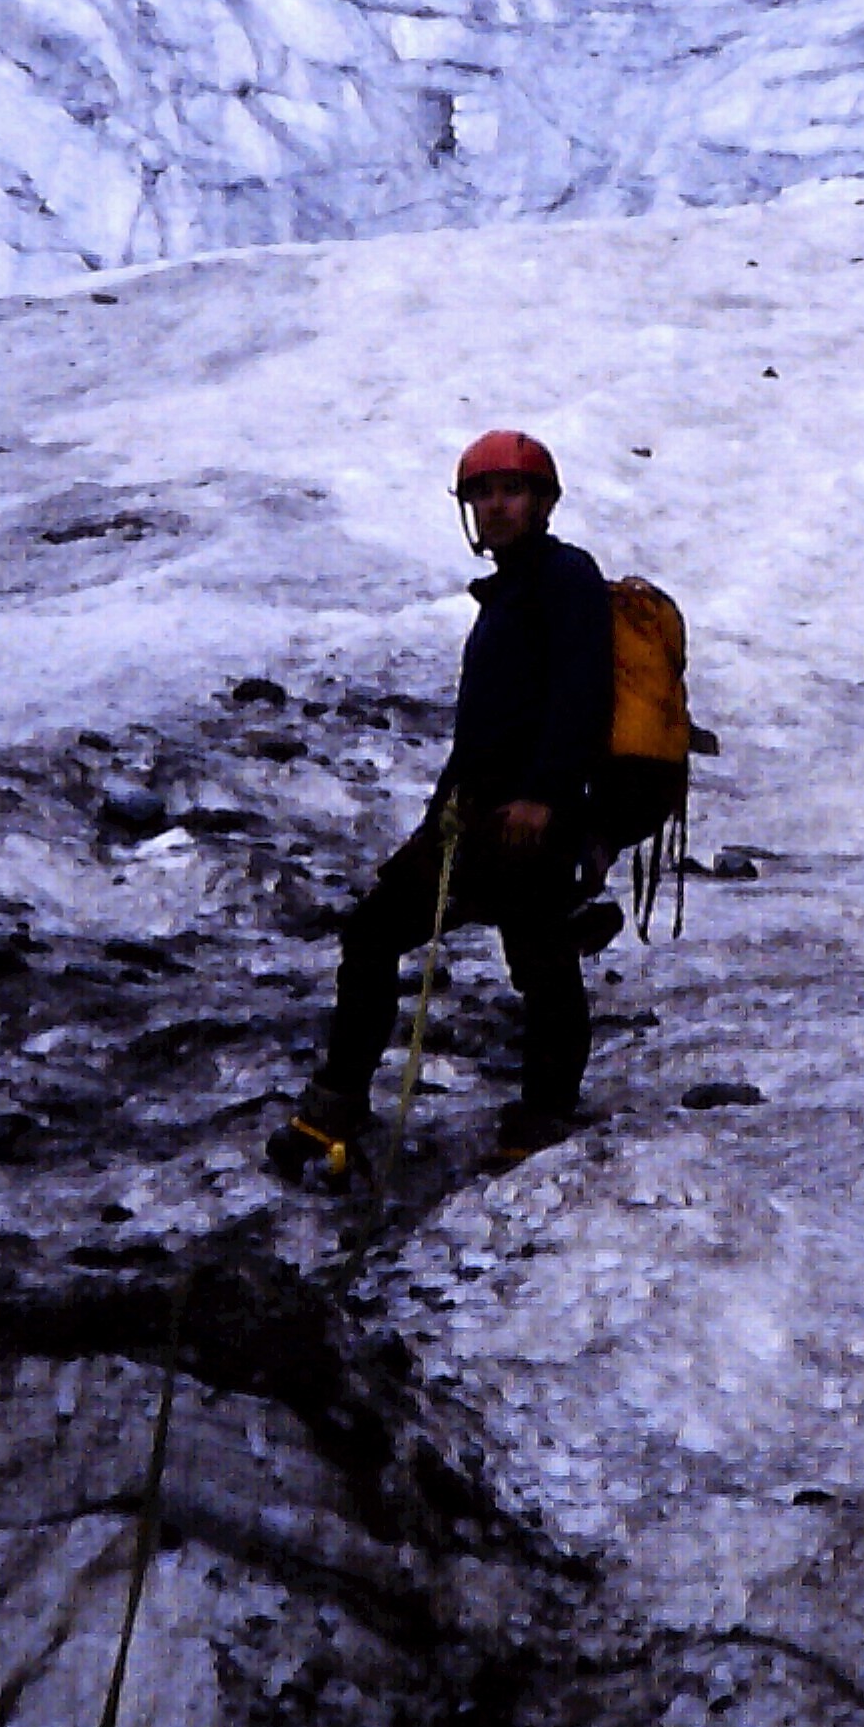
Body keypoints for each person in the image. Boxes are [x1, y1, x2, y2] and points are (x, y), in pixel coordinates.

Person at [273, 428, 615, 1179]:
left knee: (541, 960)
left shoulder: (565, 577)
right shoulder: (509, 594)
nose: (495, 506)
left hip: (535, 817)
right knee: (378, 932)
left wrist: (545, 798)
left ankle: (545, 1111)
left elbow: (583, 694)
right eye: (482, 494)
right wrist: (440, 818)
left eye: (511, 491)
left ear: (544, 502)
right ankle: (340, 1101)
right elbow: (488, 728)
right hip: (478, 816)